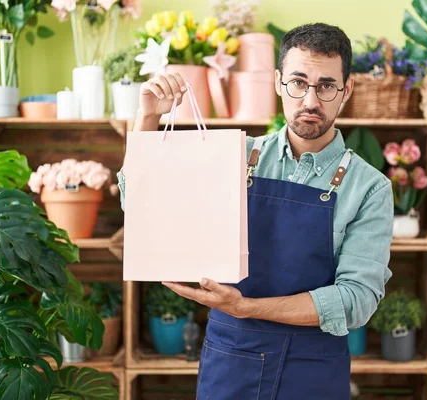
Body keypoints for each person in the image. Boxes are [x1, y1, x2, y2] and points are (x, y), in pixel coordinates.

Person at [117, 22, 393, 400]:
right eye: (298, 82)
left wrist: (246, 307)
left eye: (326, 85)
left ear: (347, 90)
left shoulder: (370, 187)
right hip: (230, 362)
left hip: (313, 372)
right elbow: (143, 210)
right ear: (279, 82)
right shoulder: (232, 154)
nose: (310, 101)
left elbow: (356, 300)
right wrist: (148, 119)